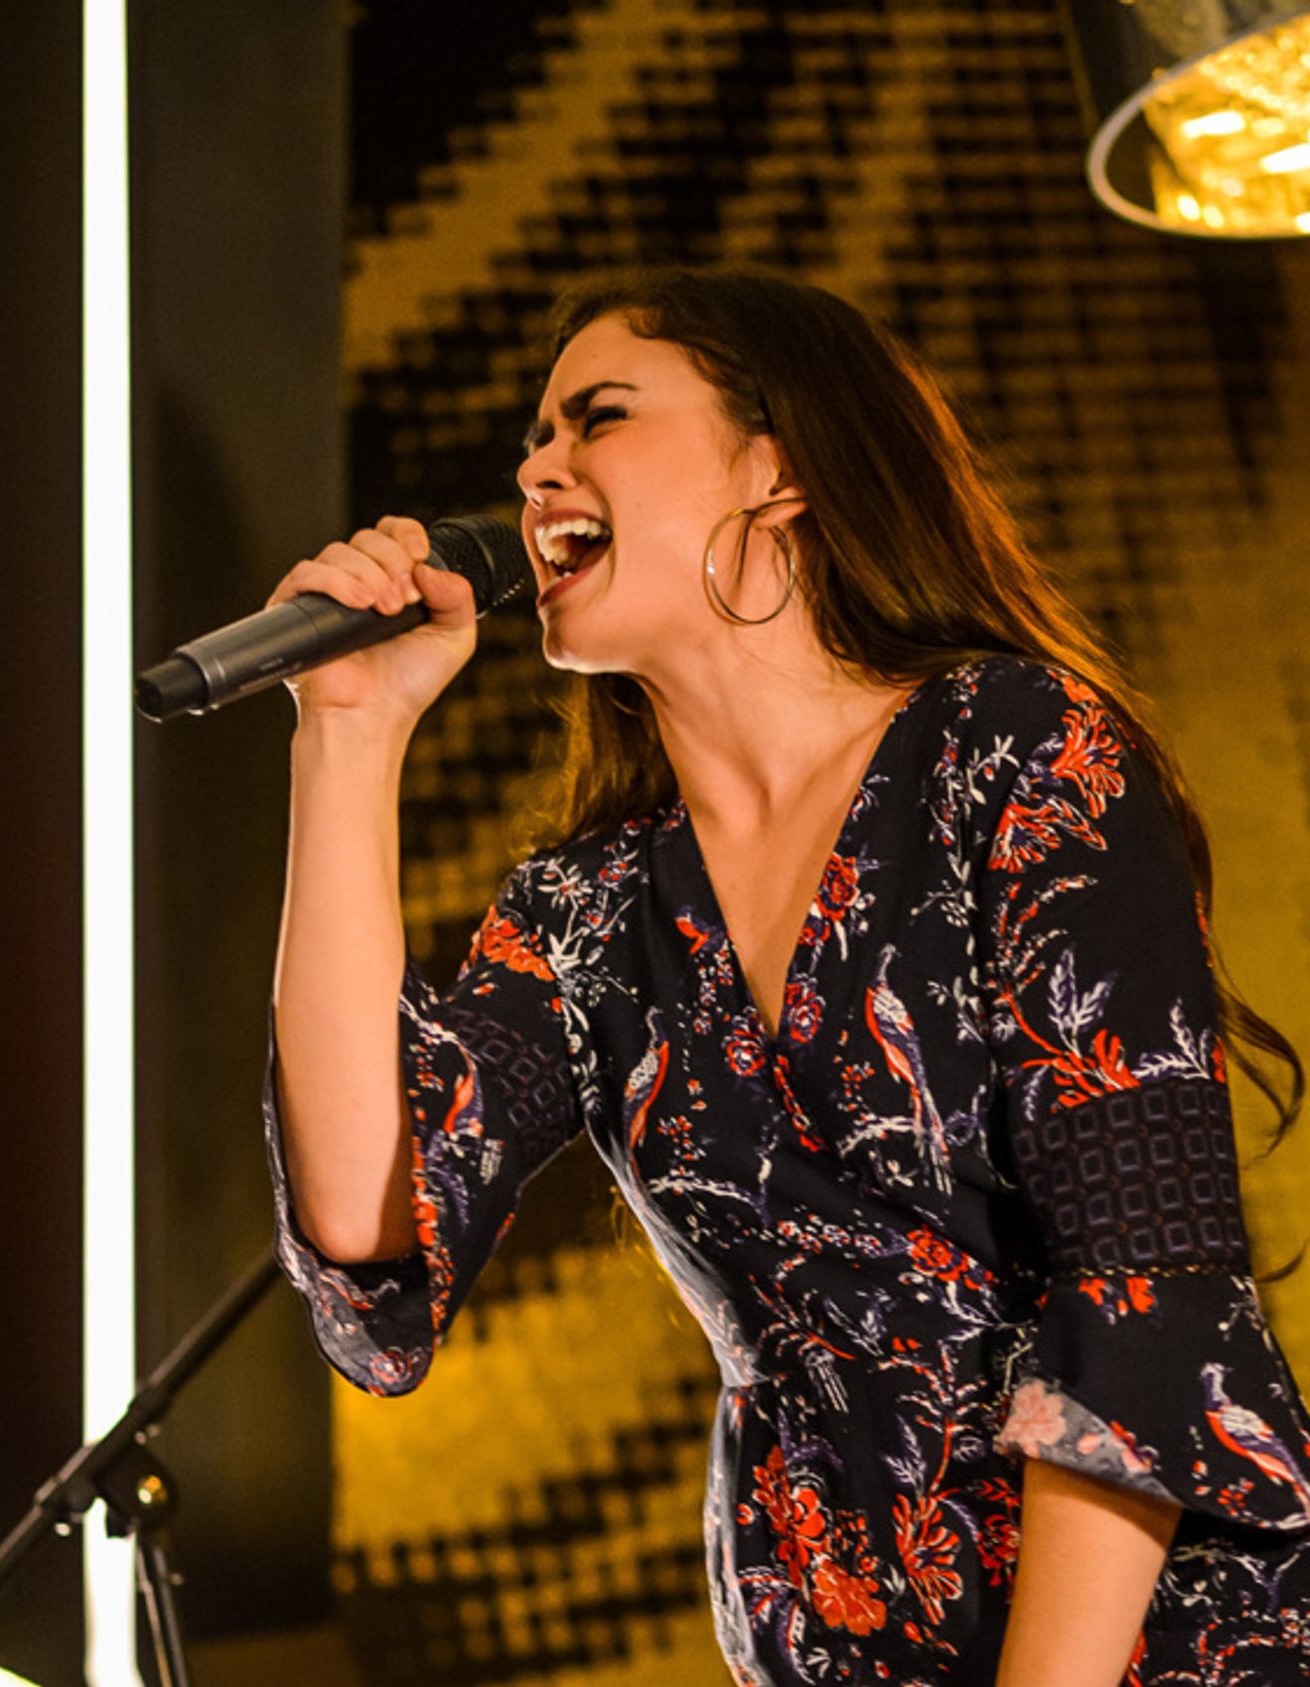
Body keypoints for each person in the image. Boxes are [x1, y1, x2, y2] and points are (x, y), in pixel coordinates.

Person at [262, 268, 1310, 1685]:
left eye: (598, 417)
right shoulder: (590, 910)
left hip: (1142, 1643)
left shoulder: (1014, 755)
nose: (534, 466)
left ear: (783, 468)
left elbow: (1149, 1306)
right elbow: (368, 1231)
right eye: (534, 435)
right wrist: (346, 733)